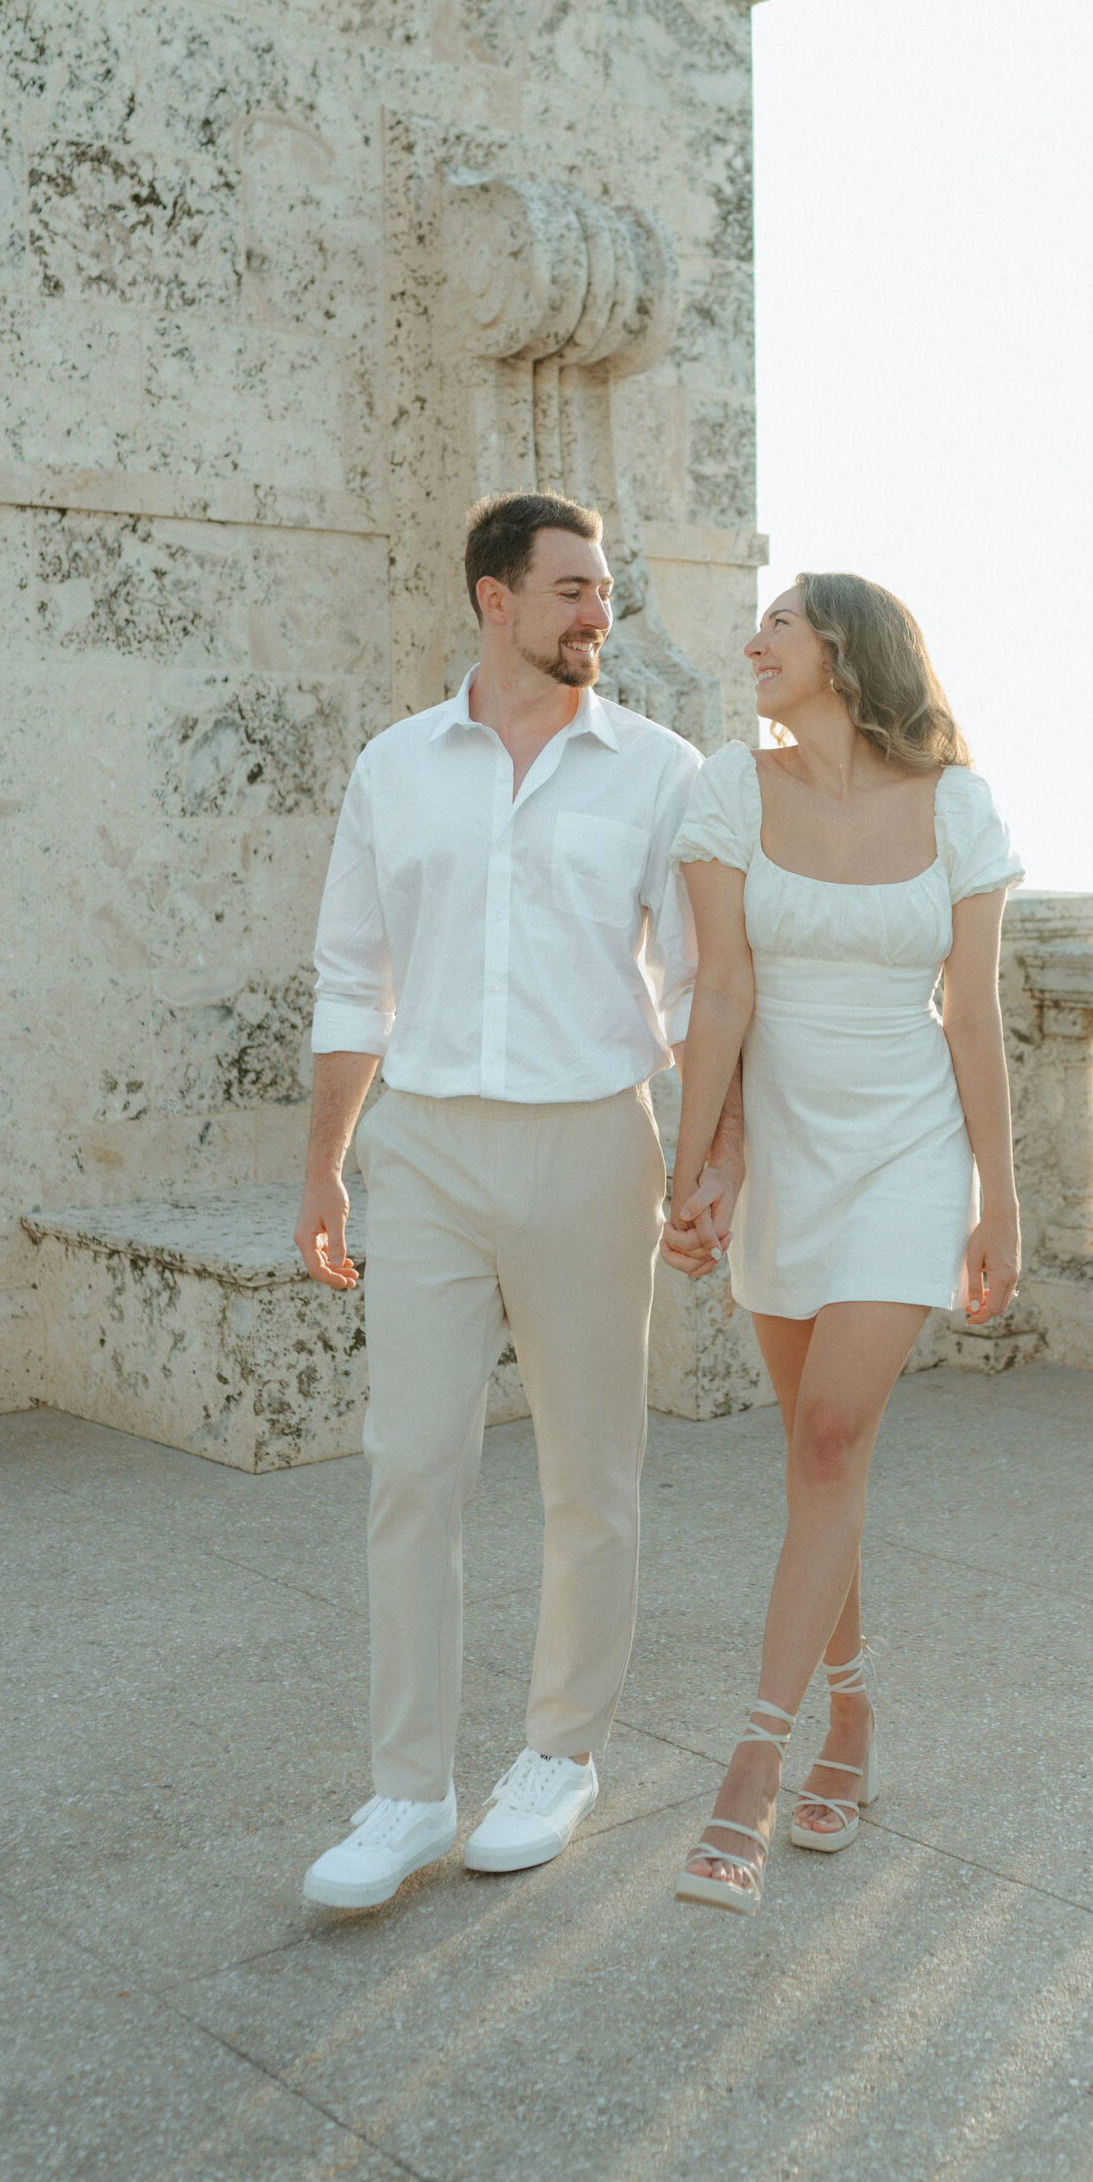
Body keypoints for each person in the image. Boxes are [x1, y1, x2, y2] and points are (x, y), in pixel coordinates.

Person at [295, 490, 742, 1909]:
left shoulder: (660, 771)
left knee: (588, 1477)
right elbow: (350, 975)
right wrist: (324, 1166)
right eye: (572, 591)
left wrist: (702, 1159)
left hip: (588, 1145)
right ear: (495, 598)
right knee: (410, 1467)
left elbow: (695, 989)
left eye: (603, 591)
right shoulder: (395, 767)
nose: (598, 614)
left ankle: (560, 1755)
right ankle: (406, 1790)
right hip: (423, 1149)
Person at [663, 572, 1021, 1917]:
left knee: (827, 1442)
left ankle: (749, 1767)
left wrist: (1001, 1199)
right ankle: (854, 1718)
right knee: (826, 1457)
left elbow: (974, 1016)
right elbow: (722, 994)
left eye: (780, 626)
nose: (754, 643)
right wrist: (695, 1171)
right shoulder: (725, 792)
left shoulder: (959, 807)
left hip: (910, 1157)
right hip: (788, 1162)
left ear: (848, 651)